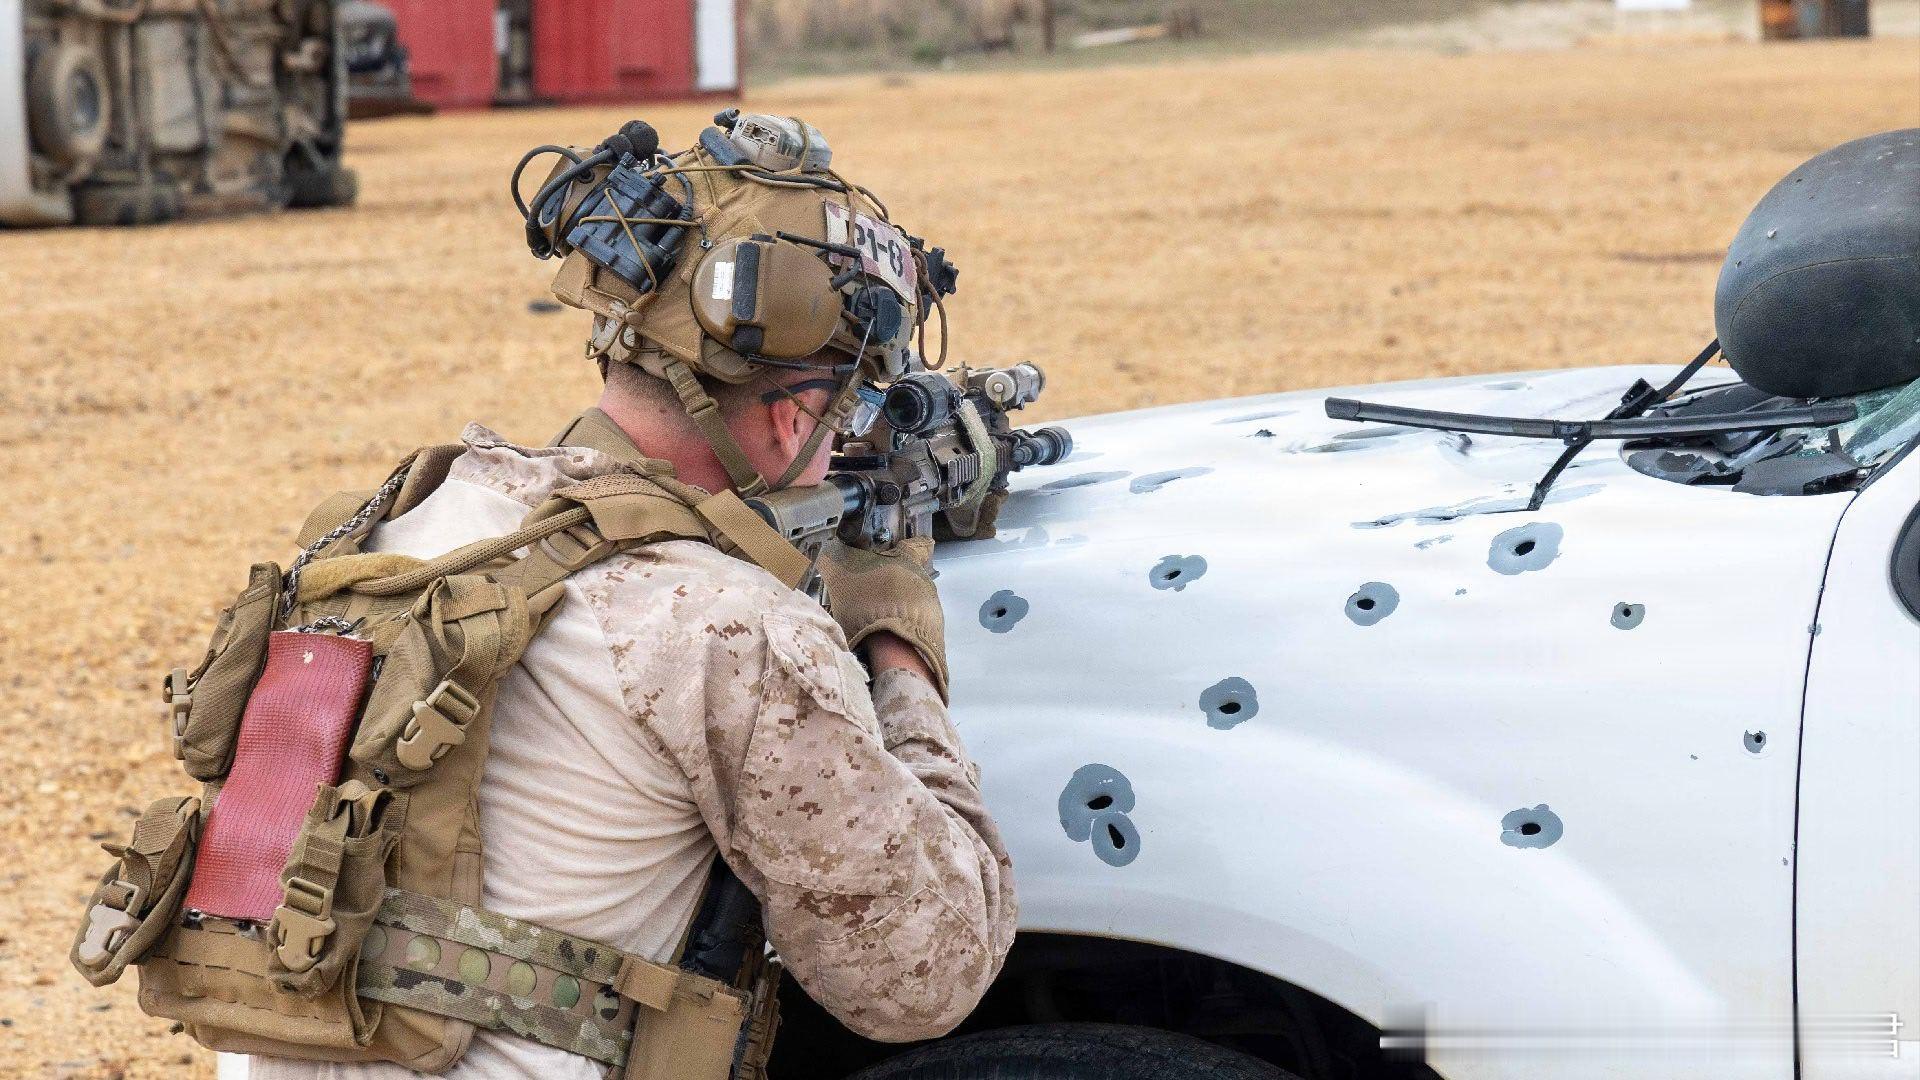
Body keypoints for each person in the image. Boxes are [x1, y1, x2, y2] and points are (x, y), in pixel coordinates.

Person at [247, 115, 1018, 1080]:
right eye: (846, 408)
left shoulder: (393, 526)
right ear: (790, 420)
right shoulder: (726, 628)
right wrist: (897, 641)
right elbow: (921, 979)